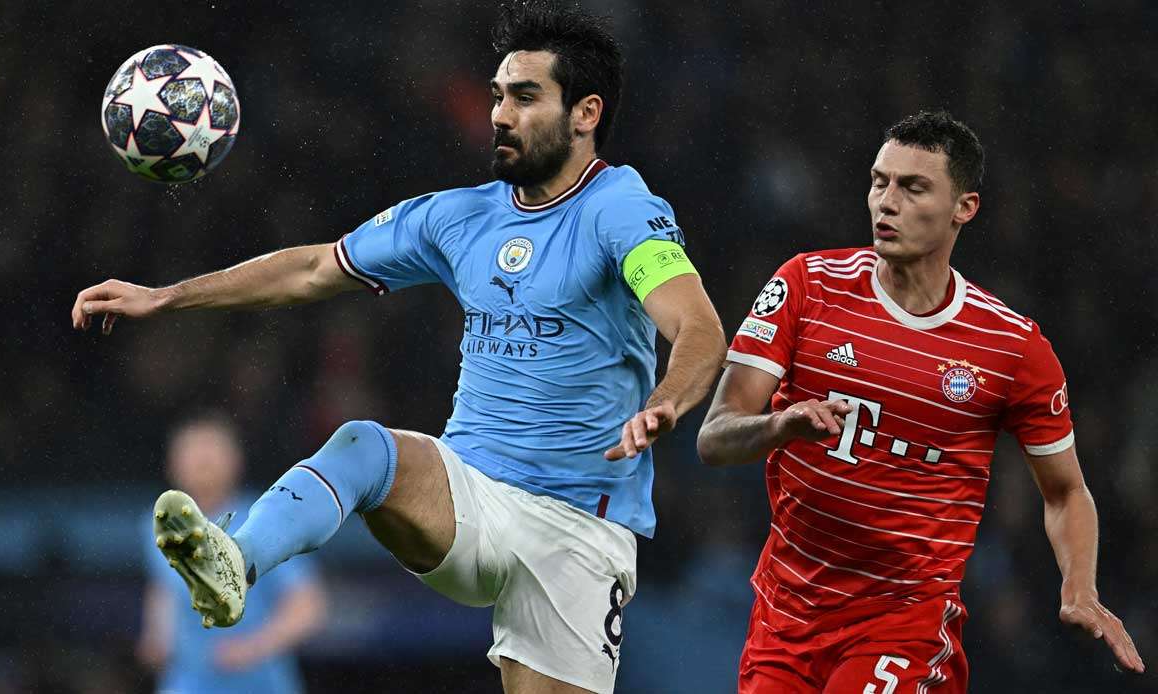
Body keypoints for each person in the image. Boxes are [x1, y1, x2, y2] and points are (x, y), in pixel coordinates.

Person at [72, 3, 725, 692]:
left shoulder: (620, 210)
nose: (501, 113)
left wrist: (665, 404)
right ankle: (237, 557)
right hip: (473, 498)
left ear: (585, 113)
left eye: (526, 97)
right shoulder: (458, 216)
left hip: (580, 531)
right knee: (366, 448)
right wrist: (168, 296)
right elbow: (313, 268)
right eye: (499, 94)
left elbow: (697, 328)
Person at [696, 110, 1145, 692]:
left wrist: (1079, 589)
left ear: (965, 207)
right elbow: (715, 436)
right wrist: (779, 425)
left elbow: (1066, 491)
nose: (887, 202)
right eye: (880, 182)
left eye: (913, 188)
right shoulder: (807, 286)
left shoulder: (1011, 347)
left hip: (901, 626)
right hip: (787, 616)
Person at [136, 412, 326, 694]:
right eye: (192, 451)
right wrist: (156, 636)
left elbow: (309, 607)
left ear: (236, 460)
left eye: (212, 450)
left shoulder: (268, 519)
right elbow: (165, 588)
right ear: (172, 463)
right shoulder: (157, 524)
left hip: (260, 684)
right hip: (187, 683)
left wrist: (254, 647)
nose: (202, 461)